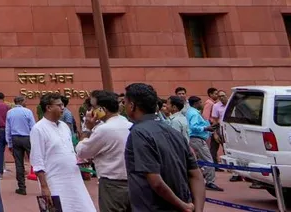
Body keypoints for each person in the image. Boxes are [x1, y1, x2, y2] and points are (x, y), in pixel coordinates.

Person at [125, 82, 204, 212]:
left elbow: (155, 181)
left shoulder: (139, 133)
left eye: (125, 103)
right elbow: (196, 175)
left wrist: (182, 206)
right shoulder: (173, 132)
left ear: (132, 106)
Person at [31, 93, 94, 212]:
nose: (63, 108)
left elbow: (69, 150)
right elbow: (37, 160)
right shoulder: (38, 129)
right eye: (59, 105)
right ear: (49, 108)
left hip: (74, 178)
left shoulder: (64, 126)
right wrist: (44, 187)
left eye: (63, 105)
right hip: (55, 181)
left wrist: (80, 160)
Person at [76, 90, 132, 212]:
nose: (90, 111)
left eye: (93, 107)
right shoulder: (129, 124)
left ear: (103, 110)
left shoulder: (104, 129)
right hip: (132, 182)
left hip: (111, 184)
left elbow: (82, 151)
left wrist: (86, 129)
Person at [184, 96, 221, 191]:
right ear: (196, 103)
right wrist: (205, 128)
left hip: (195, 139)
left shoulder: (191, 112)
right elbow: (193, 126)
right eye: (200, 102)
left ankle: (197, 177)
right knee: (208, 160)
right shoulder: (194, 113)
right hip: (197, 139)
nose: (202, 104)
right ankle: (210, 182)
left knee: (197, 161)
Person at [5, 94, 35, 195]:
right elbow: (33, 127)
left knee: (19, 164)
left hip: (15, 138)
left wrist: (9, 143)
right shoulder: (28, 112)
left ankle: (22, 187)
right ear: (22, 101)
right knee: (36, 160)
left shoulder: (10, 112)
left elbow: (7, 129)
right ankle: (43, 183)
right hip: (27, 137)